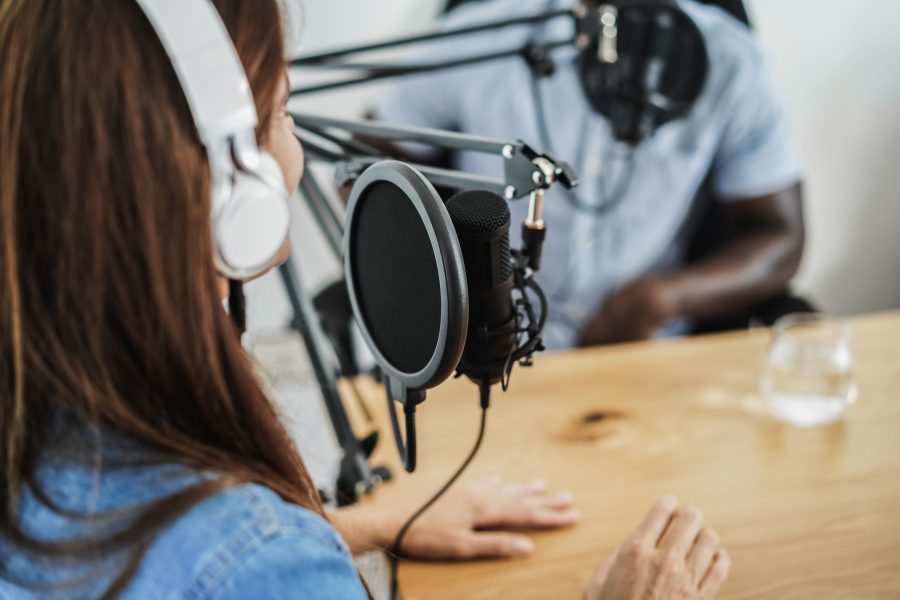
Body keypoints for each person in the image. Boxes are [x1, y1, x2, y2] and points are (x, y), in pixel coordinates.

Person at [0, 0, 729, 598]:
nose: (297, 151)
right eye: (283, 114)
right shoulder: (260, 566)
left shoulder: (39, 422)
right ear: (234, 200)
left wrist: (353, 524)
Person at [372, 0, 806, 349]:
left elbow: (780, 234)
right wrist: (429, 285)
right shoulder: (483, 36)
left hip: (642, 352)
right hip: (482, 348)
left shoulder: (733, 62)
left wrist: (658, 300)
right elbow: (374, 157)